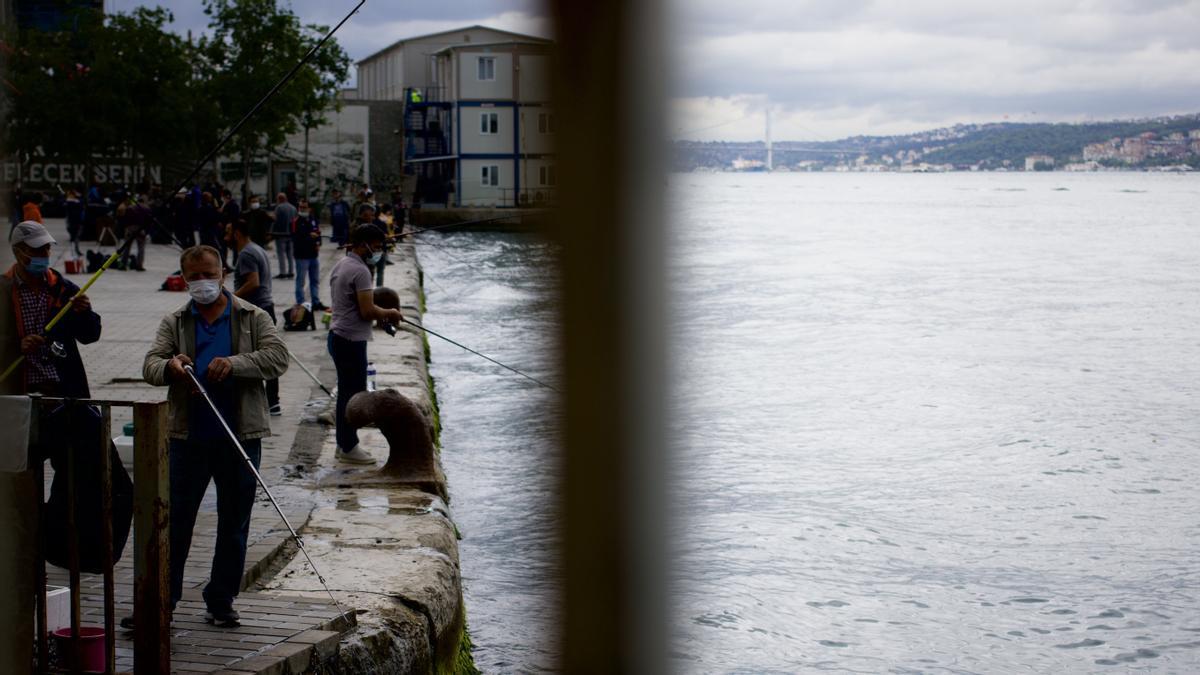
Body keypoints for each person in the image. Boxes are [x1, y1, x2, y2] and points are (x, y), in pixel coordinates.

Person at [142, 245, 288, 628]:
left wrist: (236, 364)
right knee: (175, 521)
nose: (203, 282)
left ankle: (221, 598)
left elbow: (278, 358)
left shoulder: (252, 316)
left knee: (234, 522)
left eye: (209, 273)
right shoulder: (175, 321)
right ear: (184, 278)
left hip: (240, 434)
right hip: (188, 437)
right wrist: (172, 367)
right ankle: (162, 600)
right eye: (194, 276)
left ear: (223, 273)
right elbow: (151, 364)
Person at [327, 224, 403, 464]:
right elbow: (367, 310)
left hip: (338, 336)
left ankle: (344, 444)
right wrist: (389, 312)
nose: (378, 251)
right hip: (350, 341)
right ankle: (349, 446)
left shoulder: (342, 264)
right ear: (363, 244)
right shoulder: (360, 271)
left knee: (346, 394)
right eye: (377, 247)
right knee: (352, 396)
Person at [1, 221, 101, 397]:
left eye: (47, 248)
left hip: (60, 389)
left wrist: (83, 312)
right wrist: (17, 346)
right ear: (18, 252)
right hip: (15, 391)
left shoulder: (65, 289)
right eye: (37, 250)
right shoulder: (3, 290)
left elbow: (90, 335)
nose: (45, 254)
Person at [225, 218, 282, 416]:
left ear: (237, 234)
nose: (226, 237)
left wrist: (230, 298)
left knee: (253, 356)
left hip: (255, 310)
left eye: (228, 232)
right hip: (266, 307)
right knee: (267, 354)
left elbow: (253, 282)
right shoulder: (256, 248)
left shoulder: (246, 253)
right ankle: (273, 401)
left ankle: (264, 401)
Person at [291, 198, 324, 311]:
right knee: (301, 280)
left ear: (309, 208)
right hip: (302, 256)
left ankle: (315, 301)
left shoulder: (313, 219)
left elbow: (318, 233)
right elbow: (297, 238)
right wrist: (310, 237)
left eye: (304, 207)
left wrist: (318, 242)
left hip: (313, 255)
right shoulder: (296, 221)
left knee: (314, 280)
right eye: (300, 207)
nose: (302, 209)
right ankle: (301, 302)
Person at [120, 195, 151, 271]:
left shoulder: (130, 208)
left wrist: (125, 229)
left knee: (127, 247)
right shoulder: (146, 209)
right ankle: (139, 265)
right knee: (141, 247)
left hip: (130, 228)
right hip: (141, 229)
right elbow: (149, 221)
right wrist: (147, 232)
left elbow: (125, 219)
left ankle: (123, 264)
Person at [270, 193, 296, 280]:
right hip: (291, 235)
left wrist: (271, 232)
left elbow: (275, 220)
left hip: (280, 234)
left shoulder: (279, 208)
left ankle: (283, 272)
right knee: (290, 255)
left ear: (279, 199)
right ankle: (291, 272)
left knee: (281, 254)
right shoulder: (293, 208)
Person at [64, 189, 84, 256]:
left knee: (76, 237)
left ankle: (75, 250)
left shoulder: (76, 201)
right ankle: (73, 251)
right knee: (74, 237)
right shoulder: (70, 202)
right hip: (72, 221)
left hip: (76, 221)